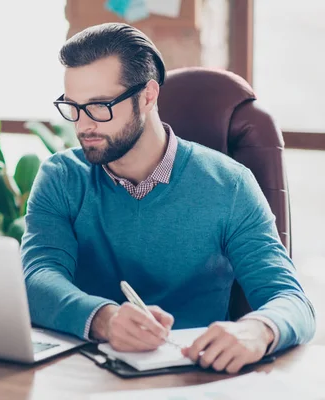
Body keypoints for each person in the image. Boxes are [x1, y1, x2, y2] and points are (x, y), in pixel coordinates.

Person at [20, 22, 315, 374]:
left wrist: (258, 329)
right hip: (85, 374)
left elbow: (292, 299)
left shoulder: (230, 185)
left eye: (99, 106)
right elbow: (36, 278)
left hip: (197, 375)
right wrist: (103, 319)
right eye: (73, 107)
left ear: (147, 96)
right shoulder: (61, 177)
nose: (83, 125)